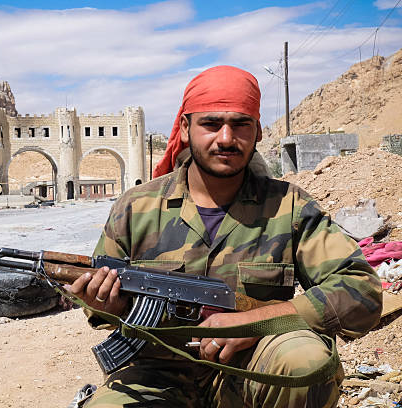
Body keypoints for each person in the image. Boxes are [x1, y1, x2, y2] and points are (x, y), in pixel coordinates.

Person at [68, 65, 382, 408]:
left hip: (253, 369)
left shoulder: (288, 207)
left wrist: (255, 323)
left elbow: (359, 288)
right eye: (211, 123)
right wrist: (107, 304)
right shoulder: (135, 208)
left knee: (305, 361)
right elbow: (104, 302)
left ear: (259, 131)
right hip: (155, 374)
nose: (226, 138)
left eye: (240, 124)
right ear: (186, 129)